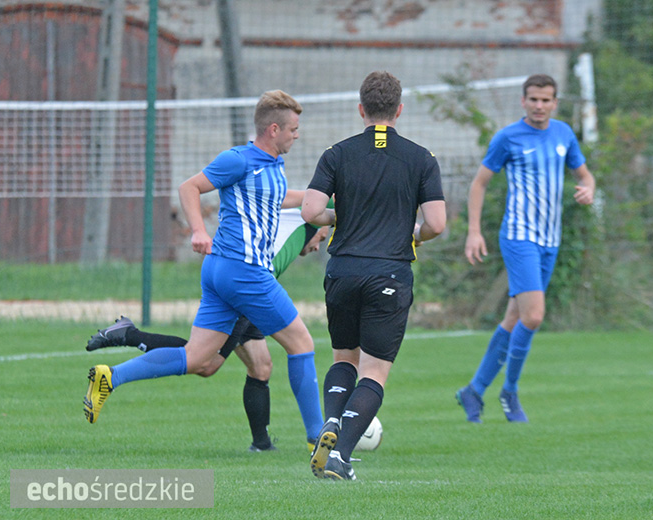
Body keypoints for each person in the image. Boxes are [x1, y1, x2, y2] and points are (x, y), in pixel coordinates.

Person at [83, 90, 325, 449]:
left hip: (222, 272)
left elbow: (284, 198)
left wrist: (330, 202)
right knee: (302, 344)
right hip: (244, 271)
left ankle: (110, 377)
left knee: (197, 358)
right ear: (273, 129)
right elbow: (190, 187)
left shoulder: (273, 166)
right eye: (293, 129)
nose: (297, 134)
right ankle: (318, 438)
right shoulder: (239, 159)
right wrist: (198, 230)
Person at [301, 71, 446, 480]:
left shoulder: (337, 153)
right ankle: (340, 455)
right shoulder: (421, 158)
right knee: (375, 370)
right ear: (398, 110)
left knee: (343, 358)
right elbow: (437, 222)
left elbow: (310, 212)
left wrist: (338, 215)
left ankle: (329, 422)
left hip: (343, 270)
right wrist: (412, 232)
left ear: (361, 109)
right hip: (390, 274)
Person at [85, 209, 330, 452]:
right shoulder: (306, 212)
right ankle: (125, 347)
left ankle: (262, 445)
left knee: (261, 365)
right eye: (321, 238)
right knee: (205, 362)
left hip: (245, 278)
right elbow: (324, 195)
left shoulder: (289, 213)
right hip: (248, 283)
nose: (319, 246)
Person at [456, 73, 595, 424]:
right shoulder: (508, 138)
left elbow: (585, 175)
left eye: (546, 100)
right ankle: (510, 392)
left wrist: (588, 189)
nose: (539, 105)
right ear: (523, 101)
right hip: (520, 237)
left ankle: (473, 391)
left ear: (555, 102)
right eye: (533, 99)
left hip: (551, 240)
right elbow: (479, 184)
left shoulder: (564, 134)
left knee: (515, 318)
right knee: (533, 316)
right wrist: (474, 232)